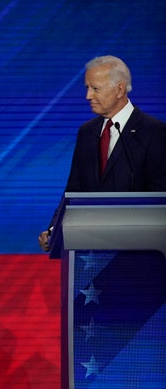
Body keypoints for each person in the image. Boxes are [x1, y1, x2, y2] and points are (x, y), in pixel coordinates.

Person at [38, 55, 166, 251]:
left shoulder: (153, 132)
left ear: (119, 89)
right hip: (91, 251)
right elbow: (74, 191)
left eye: (95, 88)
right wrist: (55, 230)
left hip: (138, 251)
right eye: (87, 88)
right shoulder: (87, 132)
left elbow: (159, 196)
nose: (88, 96)